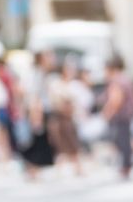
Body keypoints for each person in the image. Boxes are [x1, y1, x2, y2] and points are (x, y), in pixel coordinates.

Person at [101, 55, 133, 180]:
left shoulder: (116, 80)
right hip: (129, 116)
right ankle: (128, 164)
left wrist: (107, 113)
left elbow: (116, 100)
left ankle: (126, 166)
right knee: (125, 141)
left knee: (121, 141)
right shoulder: (126, 79)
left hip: (121, 117)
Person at [20, 51, 56, 180]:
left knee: (38, 141)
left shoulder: (39, 73)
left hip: (39, 111)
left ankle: (35, 170)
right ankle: (33, 169)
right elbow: (35, 97)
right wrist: (37, 116)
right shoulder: (37, 74)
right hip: (38, 111)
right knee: (36, 141)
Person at [49, 61, 83, 176]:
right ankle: (60, 169)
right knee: (60, 145)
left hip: (69, 119)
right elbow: (56, 103)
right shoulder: (56, 84)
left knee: (73, 144)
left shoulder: (73, 85)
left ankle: (77, 167)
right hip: (59, 118)